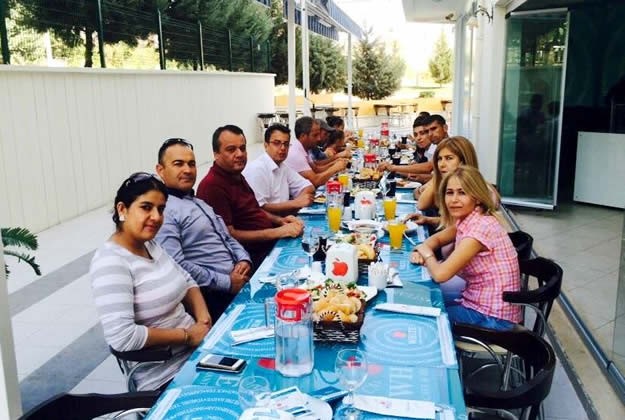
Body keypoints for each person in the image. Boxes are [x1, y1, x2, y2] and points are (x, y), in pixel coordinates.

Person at [90, 173, 211, 391]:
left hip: (198, 351)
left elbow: (187, 280)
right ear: (122, 209)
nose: (156, 217)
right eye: (146, 207)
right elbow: (122, 336)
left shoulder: (149, 244)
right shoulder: (111, 262)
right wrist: (186, 336)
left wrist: (203, 320)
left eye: (161, 209)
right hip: (166, 374)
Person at [410, 165, 521, 330]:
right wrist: (421, 249)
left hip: (493, 317)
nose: (454, 199)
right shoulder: (471, 218)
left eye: (462, 193)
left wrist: (426, 254)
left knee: (420, 317)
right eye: (449, 193)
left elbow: (440, 275)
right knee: (421, 296)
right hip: (478, 301)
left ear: (477, 198)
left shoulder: (479, 230)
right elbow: (438, 239)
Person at [154, 138, 252, 321]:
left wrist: (243, 259)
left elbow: (226, 237)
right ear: (160, 170)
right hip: (212, 297)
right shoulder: (163, 211)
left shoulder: (199, 203)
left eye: (191, 164)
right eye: (178, 164)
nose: (187, 170)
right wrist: (227, 282)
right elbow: (176, 265)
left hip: (240, 280)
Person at [197, 125, 304, 267]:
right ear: (216, 154)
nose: (240, 154)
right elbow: (229, 235)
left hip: (268, 244)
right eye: (231, 149)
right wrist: (277, 232)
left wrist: (281, 221)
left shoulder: (236, 176)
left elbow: (255, 210)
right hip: (252, 258)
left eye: (242, 148)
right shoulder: (213, 185)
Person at [242, 124, 315, 215]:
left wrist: (298, 202)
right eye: (277, 143)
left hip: (284, 218)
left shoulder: (282, 167)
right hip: (266, 222)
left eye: (286, 144)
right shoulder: (257, 169)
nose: (283, 148)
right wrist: (295, 203)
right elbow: (258, 208)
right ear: (266, 145)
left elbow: (309, 187)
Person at [284, 116, 348, 187]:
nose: (319, 138)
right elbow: (315, 181)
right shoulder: (296, 153)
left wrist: (335, 162)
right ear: (303, 136)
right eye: (315, 135)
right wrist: (335, 168)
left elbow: (316, 169)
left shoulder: (304, 148)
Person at [378, 115, 434, 183]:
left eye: (422, 133)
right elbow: (423, 174)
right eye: (415, 135)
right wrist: (392, 169)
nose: (418, 138)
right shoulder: (425, 150)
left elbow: (428, 167)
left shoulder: (435, 148)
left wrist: (393, 167)